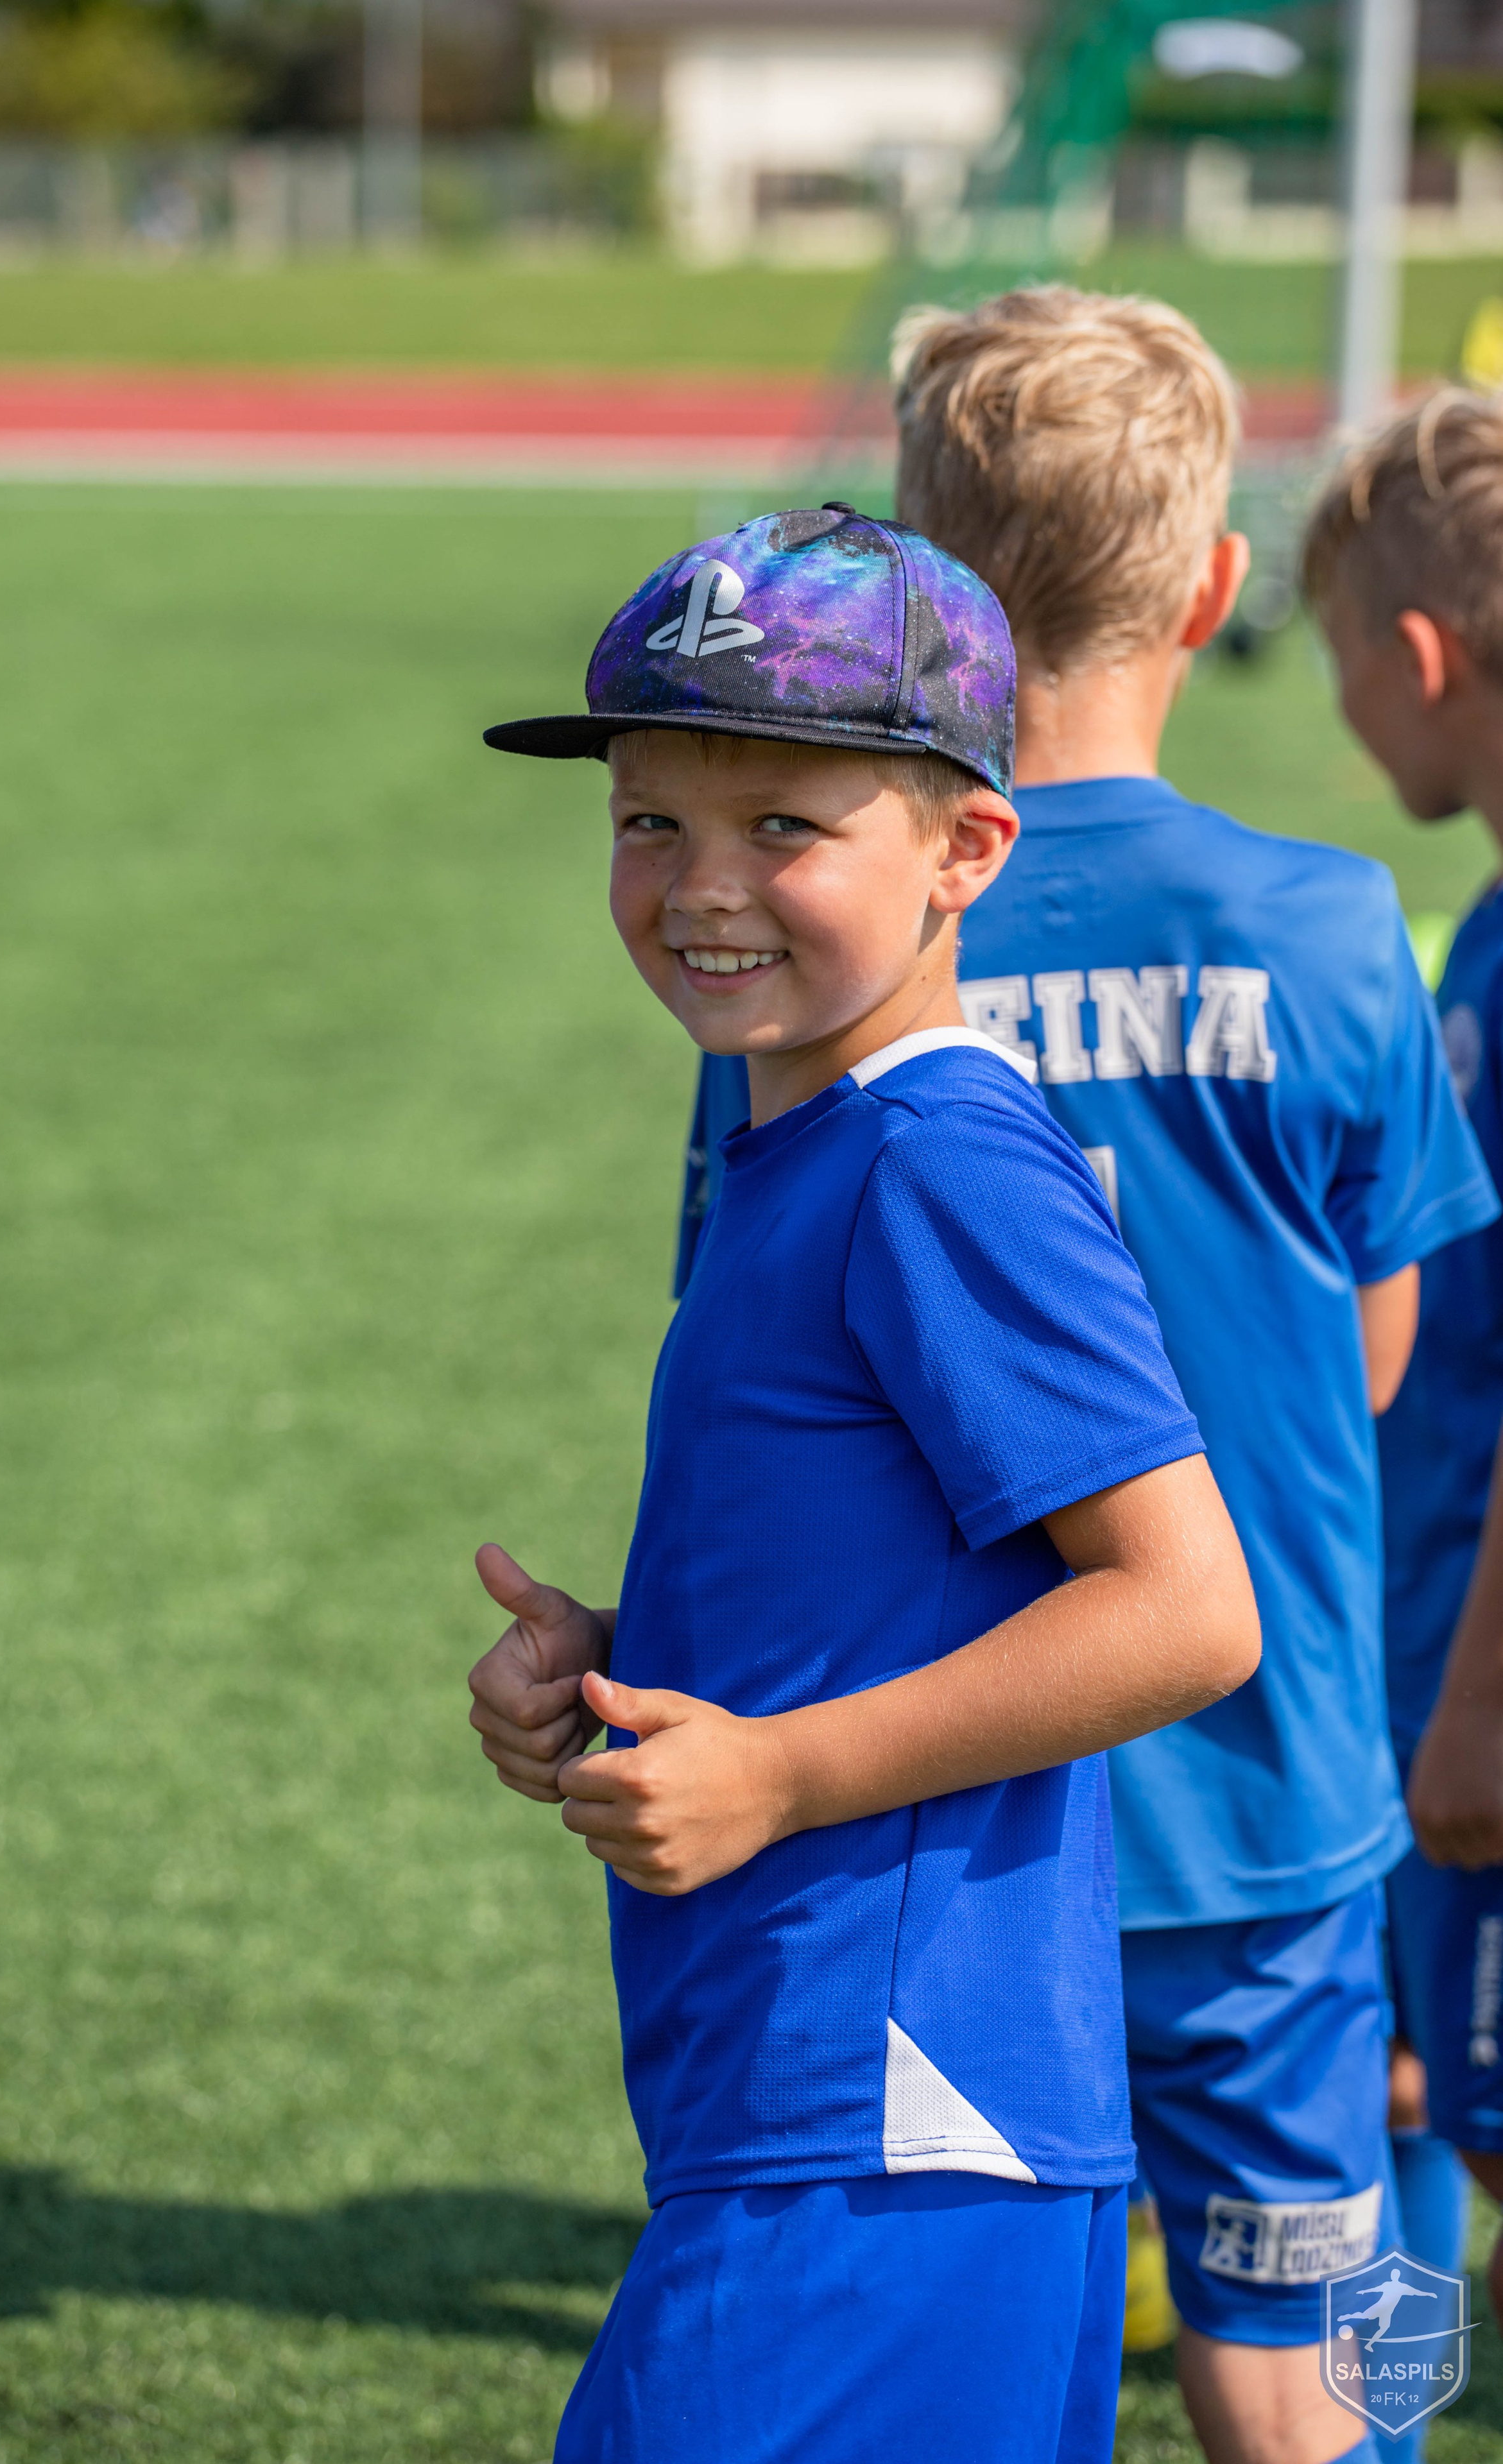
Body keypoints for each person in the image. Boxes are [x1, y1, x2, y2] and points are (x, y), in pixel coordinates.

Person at [681, 293, 1497, 2464]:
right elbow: (1390, 1354)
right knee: (1310, 2332)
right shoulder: (1331, 928)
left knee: (926, 2327)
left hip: (939, 1812)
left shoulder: (830, 950)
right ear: (1217, 585)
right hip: (1268, 1778)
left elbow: (760, 1373)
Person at [468, 503, 1261, 2463]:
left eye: (786, 829)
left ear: (968, 851)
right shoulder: (809, 1143)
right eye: (652, 821)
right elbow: (898, 1571)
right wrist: (637, 1668)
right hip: (831, 2101)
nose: (700, 887)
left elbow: (1185, 1608)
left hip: (892, 2116)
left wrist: (782, 1775)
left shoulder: (937, 1161)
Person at [1303, 391, 1503, 2334]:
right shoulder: (1487, 932)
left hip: (1481, 1680)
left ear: (1421, 659)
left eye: (1346, 661)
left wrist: (1472, 1707)